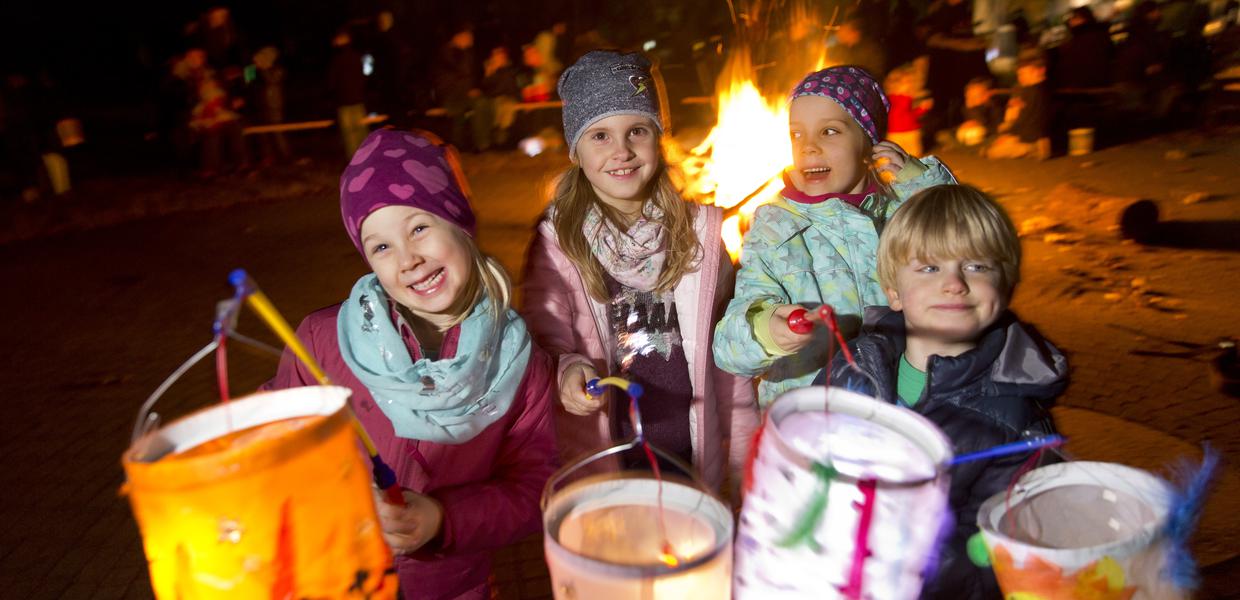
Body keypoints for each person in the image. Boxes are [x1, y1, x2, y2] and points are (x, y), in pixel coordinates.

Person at [265, 129, 558, 600]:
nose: (408, 260)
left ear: (459, 222)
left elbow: (533, 487)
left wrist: (443, 518)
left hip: (450, 585)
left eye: (419, 227)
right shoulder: (323, 341)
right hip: (340, 577)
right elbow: (279, 443)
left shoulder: (520, 364)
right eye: (381, 247)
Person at [520, 50, 758, 497]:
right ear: (576, 150)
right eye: (600, 136)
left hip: (689, 463)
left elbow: (730, 359)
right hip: (607, 468)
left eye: (636, 131)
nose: (622, 151)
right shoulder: (560, 242)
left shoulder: (701, 235)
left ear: (658, 136)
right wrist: (566, 371)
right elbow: (543, 341)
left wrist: (743, 466)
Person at [816, 184, 1066, 599]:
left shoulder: (1018, 425)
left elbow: (995, 558)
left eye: (977, 267)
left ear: (1005, 286)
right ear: (894, 292)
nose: (954, 284)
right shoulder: (850, 369)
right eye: (929, 268)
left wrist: (897, 558)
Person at [713, 65, 957, 408]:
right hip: (811, 417)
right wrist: (766, 330)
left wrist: (923, 185)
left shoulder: (901, 212)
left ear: (870, 144)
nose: (809, 147)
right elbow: (729, 346)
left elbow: (963, 242)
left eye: (829, 131)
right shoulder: (776, 228)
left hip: (903, 408)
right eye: (797, 134)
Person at [987, 54, 1051, 160]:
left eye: (1023, 73)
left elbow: (1024, 117)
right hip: (1037, 134)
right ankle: (1033, 148)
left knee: (992, 152)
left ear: (1040, 71)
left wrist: (1011, 134)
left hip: (1030, 137)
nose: (1020, 77)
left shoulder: (1029, 91)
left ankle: (1032, 149)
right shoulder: (1045, 90)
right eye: (1019, 74)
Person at [328, 29, 368, 157]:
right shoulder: (356, 57)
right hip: (358, 100)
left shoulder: (337, 60)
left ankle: (355, 161)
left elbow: (331, 82)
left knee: (349, 135)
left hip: (344, 102)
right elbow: (362, 77)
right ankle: (367, 159)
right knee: (361, 133)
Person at [885, 59, 932, 157]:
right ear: (896, 83)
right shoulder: (896, 98)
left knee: (912, 155)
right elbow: (901, 113)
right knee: (898, 155)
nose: (910, 85)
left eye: (911, 81)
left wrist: (922, 108)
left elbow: (908, 114)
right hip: (899, 133)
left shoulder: (905, 98)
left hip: (909, 131)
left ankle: (912, 171)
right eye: (907, 82)